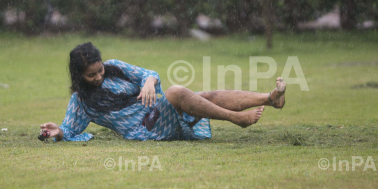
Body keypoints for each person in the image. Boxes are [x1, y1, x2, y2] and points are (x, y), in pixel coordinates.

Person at [39, 42, 286, 142]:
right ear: (78, 75)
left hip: (158, 113)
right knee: (177, 91)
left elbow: (149, 74)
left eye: (100, 70)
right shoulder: (81, 100)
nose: (99, 77)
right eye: (91, 75)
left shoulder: (115, 67)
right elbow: (69, 129)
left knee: (203, 97)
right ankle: (236, 119)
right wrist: (57, 132)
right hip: (145, 130)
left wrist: (148, 82)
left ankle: (269, 98)